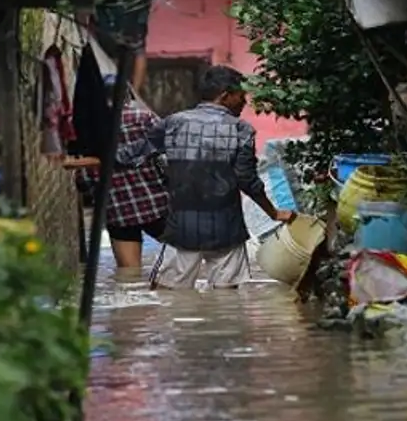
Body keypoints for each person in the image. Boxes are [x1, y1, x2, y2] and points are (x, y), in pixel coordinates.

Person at [116, 65, 295, 289]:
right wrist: (274, 212)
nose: (244, 103)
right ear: (225, 96)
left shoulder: (173, 123)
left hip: (182, 229)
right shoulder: (241, 130)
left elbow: (128, 156)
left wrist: (85, 160)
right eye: (241, 97)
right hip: (227, 229)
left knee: (167, 296)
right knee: (226, 301)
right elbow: (247, 180)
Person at [65, 72, 169, 269]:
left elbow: (84, 180)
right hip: (156, 205)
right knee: (187, 262)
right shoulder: (144, 118)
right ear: (128, 96)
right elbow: (168, 154)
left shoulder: (88, 129)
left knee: (130, 276)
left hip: (118, 211)